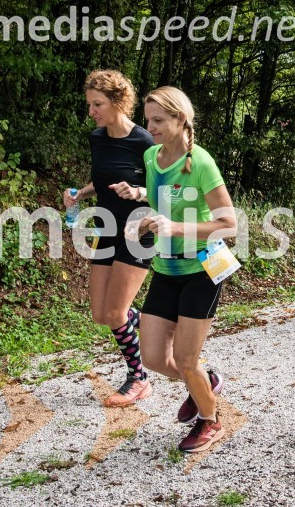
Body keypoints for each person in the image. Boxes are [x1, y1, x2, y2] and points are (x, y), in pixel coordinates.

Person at [122, 86, 237, 453]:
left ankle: (210, 420)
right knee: (155, 358)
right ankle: (206, 380)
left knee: (186, 359)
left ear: (180, 119)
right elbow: (164, 201)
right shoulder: (153, 157)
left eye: (157, 120)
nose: (150, 126)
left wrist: (176, 229)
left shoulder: (200, 161)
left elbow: (229, 224)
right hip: (166, 269)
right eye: (147, 120)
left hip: (204, 268)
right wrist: (142, 216)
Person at [62, 70, 155, 407]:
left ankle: (138, 378)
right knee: (101, 313)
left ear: (118, 101)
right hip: (106, 229)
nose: (91, 111)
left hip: (138, 230)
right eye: (89, 104)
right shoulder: (97, 138)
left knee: (116, 313)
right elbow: (103, 180)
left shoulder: (145, 141)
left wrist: (139, 191)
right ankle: (156, 324)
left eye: (97, 104)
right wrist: (80, 193)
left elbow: (169, 190)